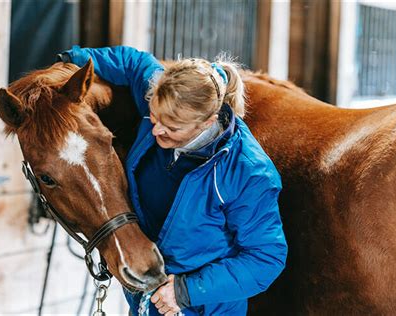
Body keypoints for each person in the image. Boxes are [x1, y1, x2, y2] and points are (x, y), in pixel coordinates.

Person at [60, 45, 287, 316]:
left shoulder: (248, 172)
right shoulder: (164, 100)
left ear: (207, 122)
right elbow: (134, 62)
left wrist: (186, 291)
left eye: (172, 127)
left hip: (199, 308)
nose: (156, 130)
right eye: (154, 117)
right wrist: (69, 60)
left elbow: (266, 257)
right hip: (147, 302)